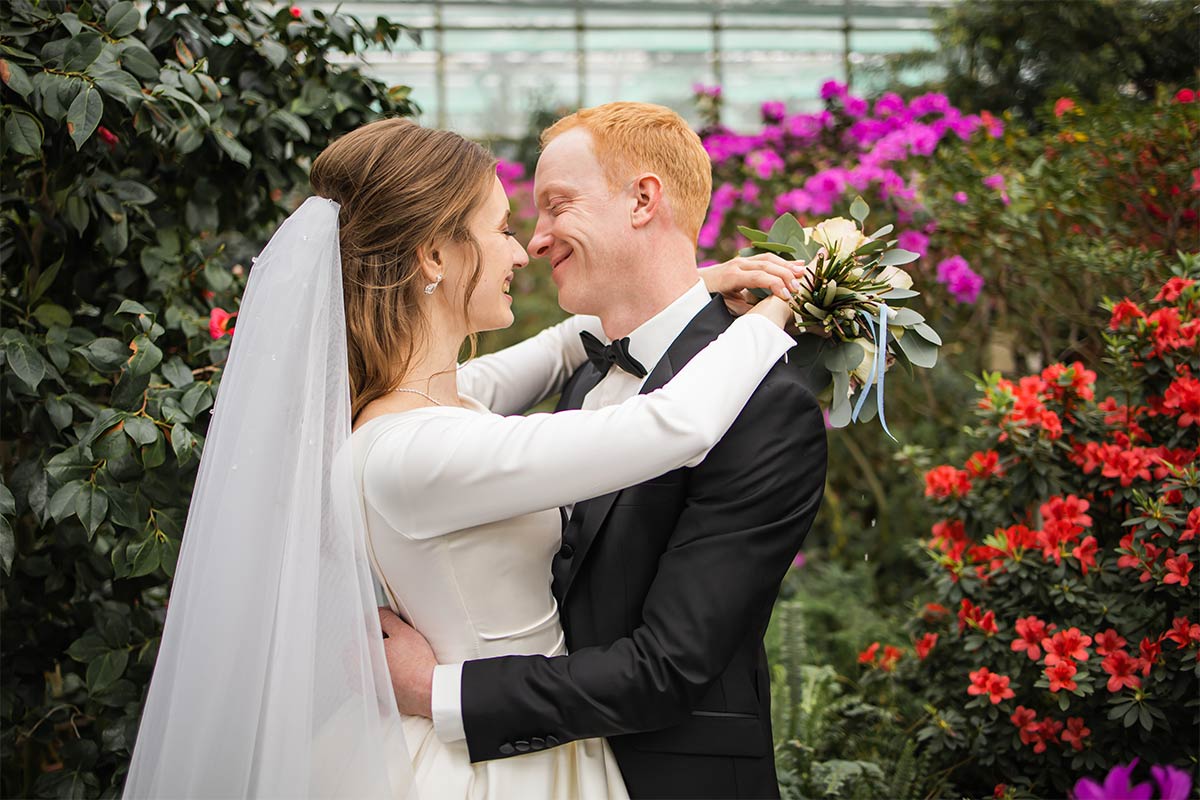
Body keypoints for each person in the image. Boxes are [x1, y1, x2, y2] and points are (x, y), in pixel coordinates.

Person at [122, 115, 808, 799]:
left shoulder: (404, 409)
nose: (523, 250)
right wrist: (776, 311)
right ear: (434, 255)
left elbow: (552, 353)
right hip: (490, 766)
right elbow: (677, 423)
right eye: (502, 227)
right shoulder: (419, 450)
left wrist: (698, 286)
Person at [380, 103, 828, 800]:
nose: (535, 239)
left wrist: (438, 693)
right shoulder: (583, 370)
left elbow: (669, 668)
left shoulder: (765, 404)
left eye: (556, 205)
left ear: (644, 200)